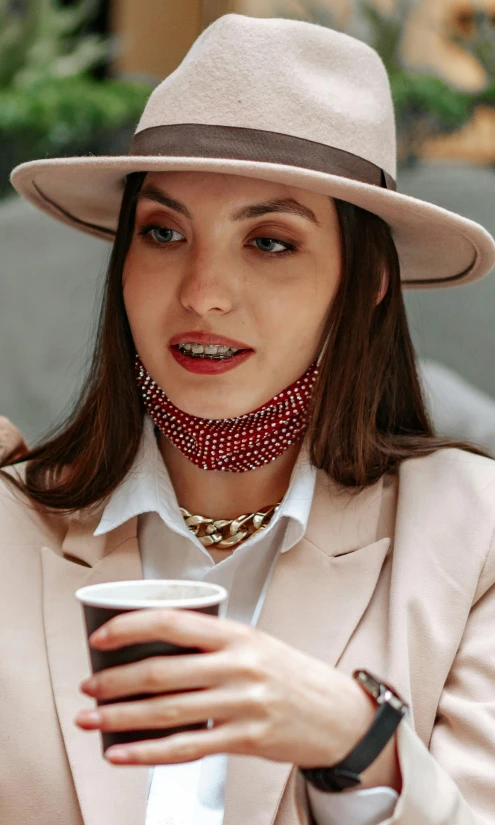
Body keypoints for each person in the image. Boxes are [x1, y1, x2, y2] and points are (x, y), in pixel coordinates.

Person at [1, 13, 495, 825]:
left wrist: (353, 738)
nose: (201, 292)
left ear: (365, 280)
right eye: (163, 232)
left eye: (269, 242)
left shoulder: (471, 538)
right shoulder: (9, 524)